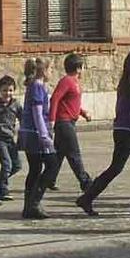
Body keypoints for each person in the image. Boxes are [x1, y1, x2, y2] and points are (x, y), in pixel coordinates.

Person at [76, 52, 130, 216]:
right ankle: (87, 198)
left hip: (124, 131)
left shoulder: (125, 86)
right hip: (128, 134)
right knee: (116, 168)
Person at [19, 58, 59, 219]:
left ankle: (29, 206)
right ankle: (33, 203)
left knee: (35, 169)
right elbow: (37, 113)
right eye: (51, 70)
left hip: (30, 133)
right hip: (35, 134)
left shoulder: (37, 86)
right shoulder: (37, 86)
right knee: (52, 164)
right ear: (44, 71)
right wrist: (44, 135)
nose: (52, 73)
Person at [48, 54, 93, 192]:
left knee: (59, 154)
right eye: (83, 67)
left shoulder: (74, 83)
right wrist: (52, 118)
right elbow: (55, 99)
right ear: (78, 68)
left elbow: (70, 103)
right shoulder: (67, 81)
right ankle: (85, 181)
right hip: (64, 122)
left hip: (70, 121)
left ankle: (49, 178)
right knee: (74, 153)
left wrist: (83, 113)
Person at [0, 75, 23, 201]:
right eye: (4, 90)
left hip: (9, 138)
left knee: (17, 165)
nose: (7, 93)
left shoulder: (16, 105)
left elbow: (23, 119)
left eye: (10, 90)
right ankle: (3, 189)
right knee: (6, 164)